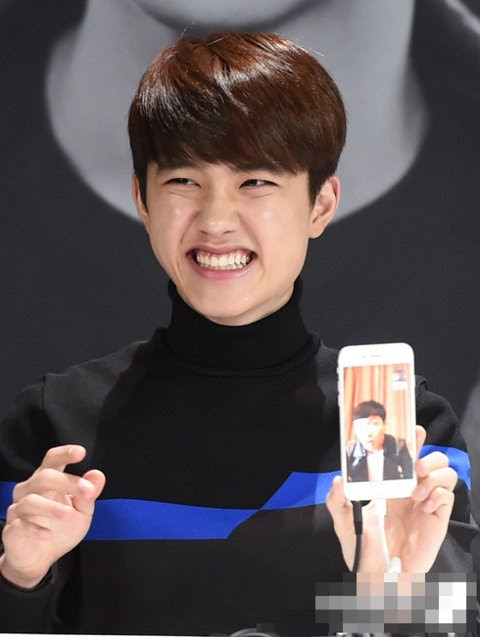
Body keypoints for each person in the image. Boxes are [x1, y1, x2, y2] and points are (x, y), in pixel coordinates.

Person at [0, 32, 475, 635]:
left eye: (255, 182)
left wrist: (390, 595)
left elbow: (455, 623)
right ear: (141, 198)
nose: (217, 219)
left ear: (321, 204)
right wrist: (19, 578)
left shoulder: (398, 430)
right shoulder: (55, 427)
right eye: (183, 181)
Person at [346, 400, 413, 482]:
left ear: (384, 424)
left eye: (374, 424)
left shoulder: (398, 446)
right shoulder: (350, 450)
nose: (367, 433)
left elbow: (409, 475)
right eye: (360, 426)